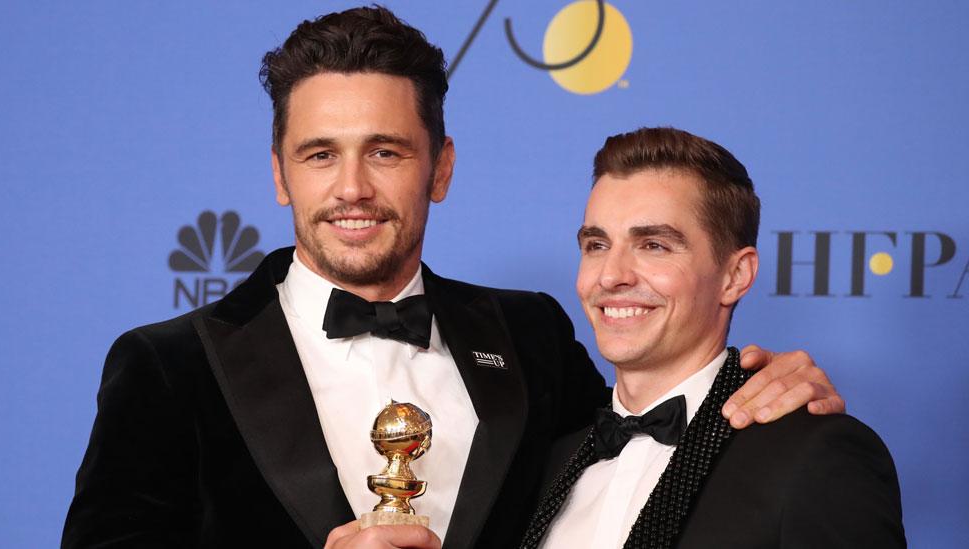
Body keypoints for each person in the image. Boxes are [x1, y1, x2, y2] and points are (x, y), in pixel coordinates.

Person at [62, 8, 844, 549]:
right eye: (320, 154)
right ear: (280, 175)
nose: (353, 189)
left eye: (387, 151)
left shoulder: (529, 336)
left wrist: (760, 385)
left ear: (441, 168)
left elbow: (645, 447)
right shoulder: (168, 366)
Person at [517, 127, 905, 549]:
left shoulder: (815, 457)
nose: (611, 276)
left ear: (735, 276)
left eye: (654, 245)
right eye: (596, 244)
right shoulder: (543, 462)